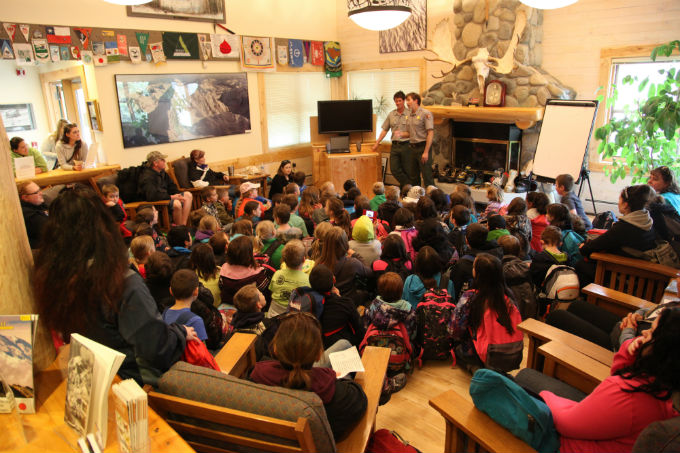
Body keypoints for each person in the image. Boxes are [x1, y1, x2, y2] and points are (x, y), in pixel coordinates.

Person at [32, 188, 192, 385]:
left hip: (88, 374)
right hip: (131, 382)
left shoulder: (50, 277)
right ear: (103, 227)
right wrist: (180, 332)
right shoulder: (121, 282)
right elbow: (156, 349)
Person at [537, 307, 680, 453]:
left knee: (528, 380)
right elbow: (618, 374)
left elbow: (566, 424)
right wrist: (631, 350)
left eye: (650, 332)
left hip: (563, 444)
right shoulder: (662, 389)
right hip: (590, 427)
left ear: (662, 349)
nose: (643, 332)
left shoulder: (629, 395)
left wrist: (544, 396)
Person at [249, 311, 368, 441]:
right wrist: (335, 378)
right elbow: (361, 400)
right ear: (318, 355)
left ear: (276, 350)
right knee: (344, 345)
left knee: (343, 344)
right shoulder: (341, 396)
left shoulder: (255, 377)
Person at [449, 253, 522, 373]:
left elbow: (454, 330)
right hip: (513, 354)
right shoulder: (508, 295)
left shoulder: (471, 296)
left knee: (456, 348)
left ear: (478, 274)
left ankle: (476, 368)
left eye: (474, 267)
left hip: (486, 354)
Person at [576, 185, 656, 286]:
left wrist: (584, 247)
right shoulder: (646, 221)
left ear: (626, 205)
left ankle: (590, 299)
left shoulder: (624, 227)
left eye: (619, 199)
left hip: (622, 276)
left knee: (580, 265)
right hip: (639, 274)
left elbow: (591, 247)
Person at [316, 226, 372, 304]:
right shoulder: (353, 263)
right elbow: (369, 272)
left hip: (327, 303)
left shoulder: (318, 264)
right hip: (349, 301)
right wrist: (355, 255)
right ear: (345, 244)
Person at [138, 151, 193, 226]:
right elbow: (152, 196)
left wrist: (177, 195)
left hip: (166, 197)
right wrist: (172, 197)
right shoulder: (147, 177)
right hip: (156, 201)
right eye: (162, 160)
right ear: (155, 163)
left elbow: (172, 186)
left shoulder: (162, 172)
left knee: (188, 195)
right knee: (176, 204)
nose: (165, 162)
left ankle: (183, 225)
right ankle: (179, 228)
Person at [219, 235, 274, 306]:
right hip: (251, 309)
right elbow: (266, 293)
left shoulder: (223, 269)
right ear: (250, 254)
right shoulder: (259, 274)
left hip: (229, 305)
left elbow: (221, 287)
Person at [372, 91, 411, 187]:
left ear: (404, 101)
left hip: (407, 146)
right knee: (394, 169)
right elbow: (385, 130)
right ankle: (409, 186)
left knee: (407, 170)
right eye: (396, 101)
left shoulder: (410, 114)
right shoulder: (391, 114)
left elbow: (414, 132)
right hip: (395, 146)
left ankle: (405, 190)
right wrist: (377, 142)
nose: (397, 103)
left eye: (399, 101)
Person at [163, 269, 208, 342]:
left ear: (171, 291)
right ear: (196, 291)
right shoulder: (196, 321)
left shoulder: (165, 313)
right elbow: (201, 350)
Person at [268, 240, 310, 317]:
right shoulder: (307, 279)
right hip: (295, 316)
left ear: (283, 259)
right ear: (304, 260)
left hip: (273, 314)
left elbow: (272, 292)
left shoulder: (277, 274)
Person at [405, 92, 434, 187]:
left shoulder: (425, 114)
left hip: (423, 147)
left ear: (416, 101)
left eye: (408, 100)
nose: (407, 102)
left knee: (427, 176)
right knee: (413, 176)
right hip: (412, 148)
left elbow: (430, 133)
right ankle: (415, 198)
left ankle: (432, 199)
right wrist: (400, 134)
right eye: (406, 100)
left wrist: (426, 152)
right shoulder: (408, 115)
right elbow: (410, 134)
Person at [17, 181, 48, 249]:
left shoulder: (38, 204)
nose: (41, 193)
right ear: (25, 197)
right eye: (36, 192)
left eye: (40, 190)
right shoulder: (28, 214)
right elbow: (50, 229)